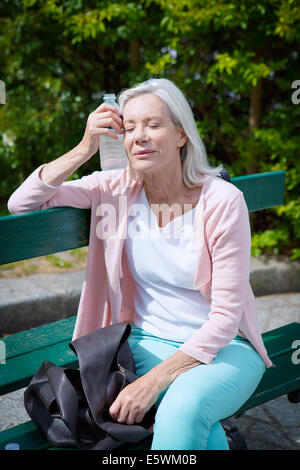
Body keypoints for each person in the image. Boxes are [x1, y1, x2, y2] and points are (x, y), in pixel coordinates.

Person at [7, 78, 273, 450]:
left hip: (226, 349)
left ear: (181, 134)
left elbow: (226, 319)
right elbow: (22, 203)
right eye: (129, 127)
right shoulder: (115, 188)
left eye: (153, 124)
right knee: (198, 425)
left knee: (182, 408)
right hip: (146, 343)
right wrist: (85, 147)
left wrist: (152, 383)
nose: (139, 136)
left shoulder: (223, 201)